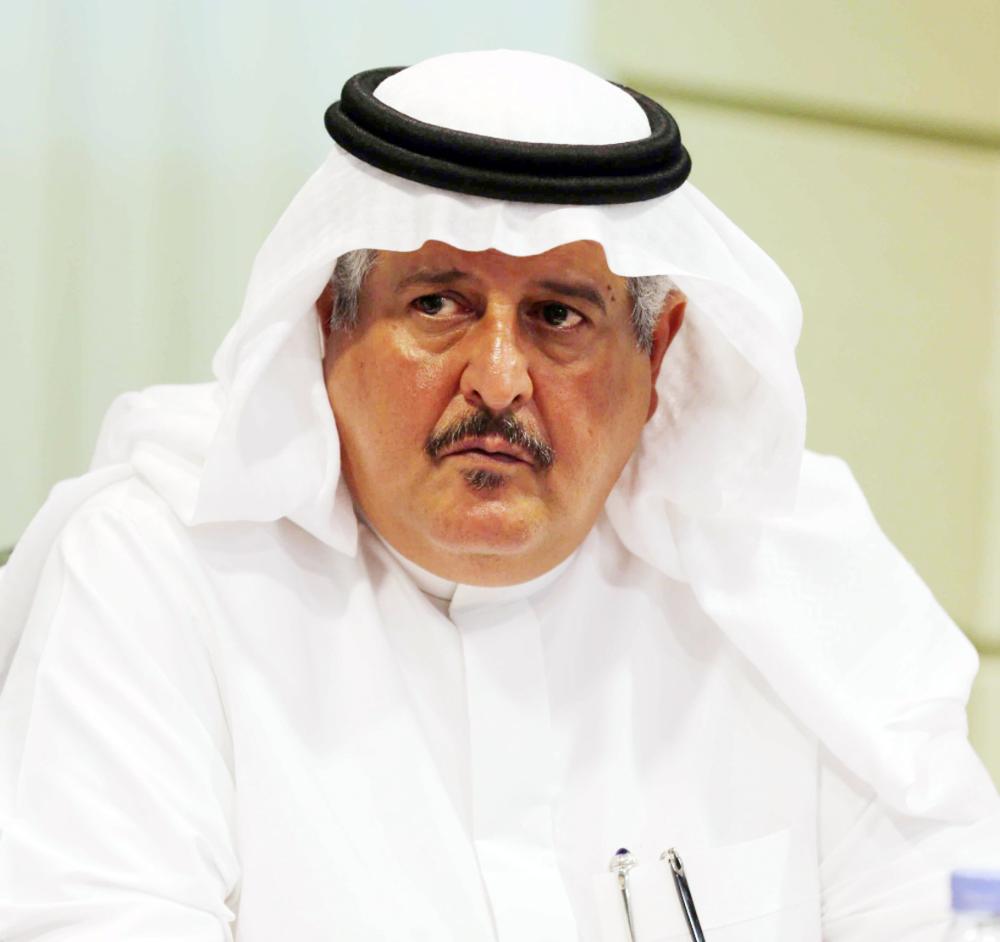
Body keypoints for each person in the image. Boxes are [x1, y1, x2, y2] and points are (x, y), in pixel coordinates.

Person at [0, 49, 997, 942]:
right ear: (327, 322)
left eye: (559, 317)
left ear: (655, 354)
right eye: (438, 304)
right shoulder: (157, 571)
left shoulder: (798, 592)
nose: (498, 379)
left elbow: (950, 910)